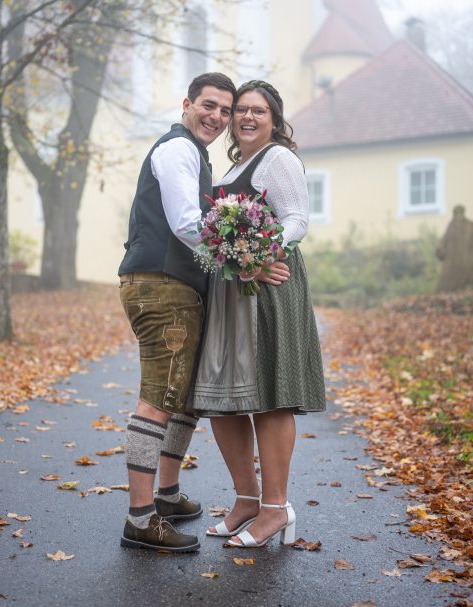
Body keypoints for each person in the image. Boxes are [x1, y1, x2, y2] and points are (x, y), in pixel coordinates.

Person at [117, 73, 290, 553]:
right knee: (157, 398)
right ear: (187, 104)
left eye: (224, 109)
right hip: (163, 288)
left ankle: (167, 495)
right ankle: (140, 517)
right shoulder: (177, 150)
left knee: (184, 397)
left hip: (179, 288)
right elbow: (187, 222)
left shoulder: (199, 155)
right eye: (208, 105)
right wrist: (248, 263)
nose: (217, 116)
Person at [191, 80, 326, 548]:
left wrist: (259, 253)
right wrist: (233, 259)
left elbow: (297, 220)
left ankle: (275, 508)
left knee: (270, 397)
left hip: (269, 283)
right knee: (222, 400)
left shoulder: (279, 159)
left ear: (274, 118)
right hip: (231, 289)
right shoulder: (235, 165)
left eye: (258, 111)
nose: (247, 117)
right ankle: (247, 498)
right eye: (241, 110)